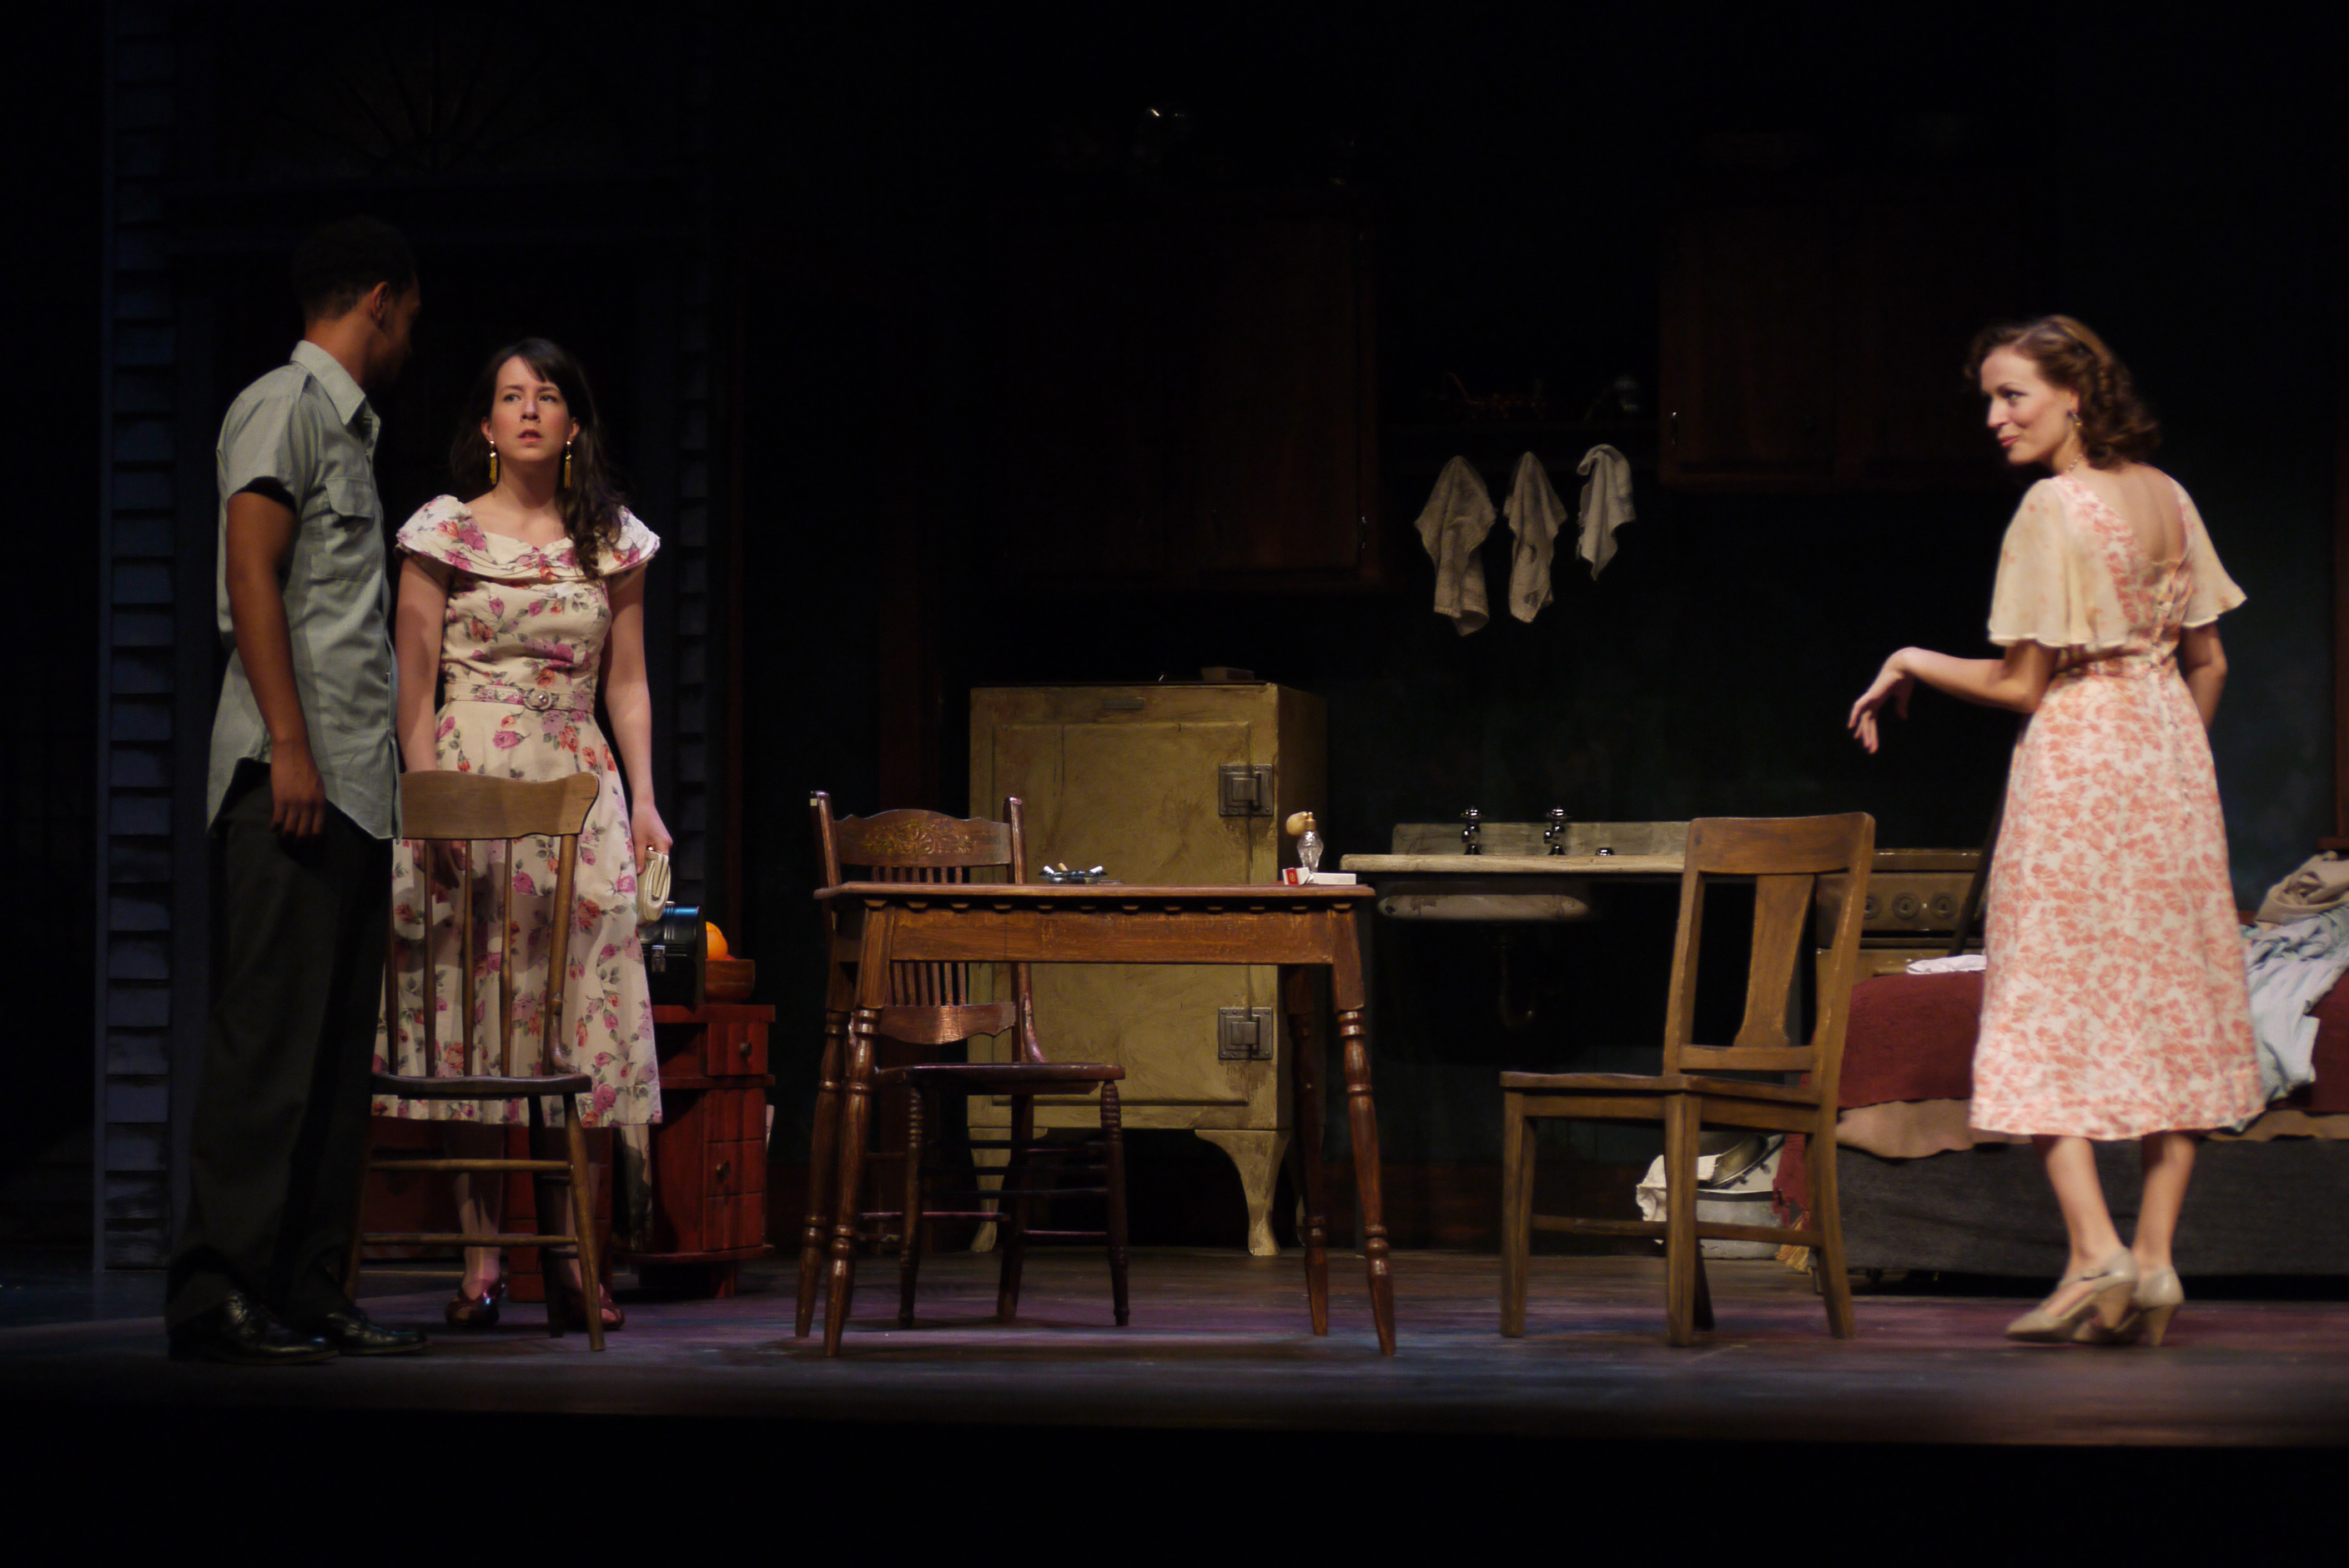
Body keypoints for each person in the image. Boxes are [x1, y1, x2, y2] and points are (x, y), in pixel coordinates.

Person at [1849, 315, 2262, 1346]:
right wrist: (2163, 758)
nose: (1994, 418)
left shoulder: (2049, 507)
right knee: (2174, 1004)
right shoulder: (2168, 495)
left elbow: (2021, 683)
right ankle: (2153, 1261)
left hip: (2076, 768)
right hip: (2170, 768)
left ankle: (2093, 1252)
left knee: (2040, 997)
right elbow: (2207, 661)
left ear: (2073, 396)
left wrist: (1907, 657)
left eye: (2012, 395)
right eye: (1987, 400)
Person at [167, 218, 430, 1364]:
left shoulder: (349, 434)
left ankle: (306, 1284)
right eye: (409, 313)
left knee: (329, 1062)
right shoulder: (285, 404)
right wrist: (288, 744)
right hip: (292, 777)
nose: (410, 334)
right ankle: (215, 1288)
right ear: (380, 298)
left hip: (355, 788)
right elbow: (251, 575)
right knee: (267, 1047)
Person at [375, 338, 668, 1332]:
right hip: (470, 779)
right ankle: (481, 1263)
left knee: (572, 1017)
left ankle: (577, 1261)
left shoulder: (611, 540)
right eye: (510, 396)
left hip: (576, 787)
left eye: (547, 396)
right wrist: (428, 798)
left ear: (573, 423)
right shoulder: (444, 530)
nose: (530, 409)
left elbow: (627, 681)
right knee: (475, 1013)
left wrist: (645, 798)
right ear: (487, 424)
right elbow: (414, 683)